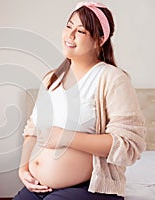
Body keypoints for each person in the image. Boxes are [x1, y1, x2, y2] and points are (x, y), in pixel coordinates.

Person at [13, 1, 146, 200]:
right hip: (38, 186)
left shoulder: (112, 78)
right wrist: (23, 169)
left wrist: (65, 137)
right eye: (69, 26)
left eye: (81, 31)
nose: (70, 35)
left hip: (89, 188)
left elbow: (128, 144)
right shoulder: (52, 78)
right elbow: (33, 129)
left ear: (100, 39)